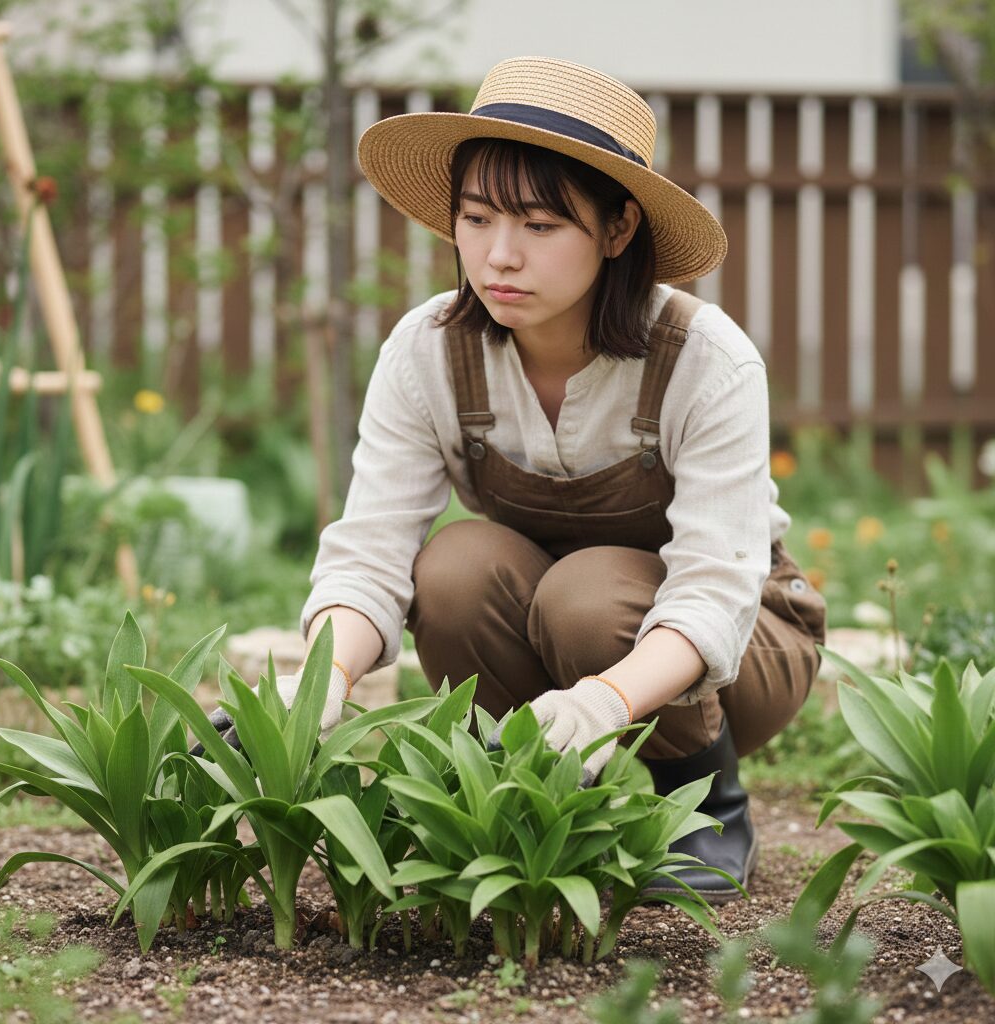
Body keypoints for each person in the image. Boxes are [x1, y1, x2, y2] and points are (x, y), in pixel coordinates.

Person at [214, 56, 826, 903]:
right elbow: (372, 551)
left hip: (738, 653)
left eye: (540, 226)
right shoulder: (428, 350)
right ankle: (519, 803)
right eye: (476, 218)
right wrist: (315, 685)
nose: (498, 255)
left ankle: (705, 808)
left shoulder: (705, 358)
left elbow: (719, 585)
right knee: (454, 566)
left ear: (616, 231)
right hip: (546, 636)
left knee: (586, 591)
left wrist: (605, 702)